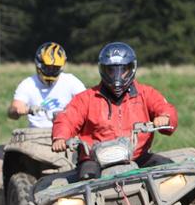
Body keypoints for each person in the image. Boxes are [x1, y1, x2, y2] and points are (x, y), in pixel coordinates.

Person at [51, 42, 178, 179]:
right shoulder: (86, 98)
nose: (116, 76)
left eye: (122, 70)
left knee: (171, 173)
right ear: (102, 70)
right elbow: (67, 118)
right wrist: (61, 137)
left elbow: (164, 108)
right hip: (94, 160)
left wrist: (165, 117)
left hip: (137, 156)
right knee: (86, 179)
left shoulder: (146, 94)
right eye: (111, 71)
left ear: (132, 69)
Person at [7, 42, 86, 128]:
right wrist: (18, 110)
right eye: (47, 67)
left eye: (55, 68)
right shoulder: (27, 84)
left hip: (66, 132)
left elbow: (87, 104)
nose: (51, 72)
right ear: (39, 64)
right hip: (35, 135)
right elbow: (13, 111)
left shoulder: (71, 81)